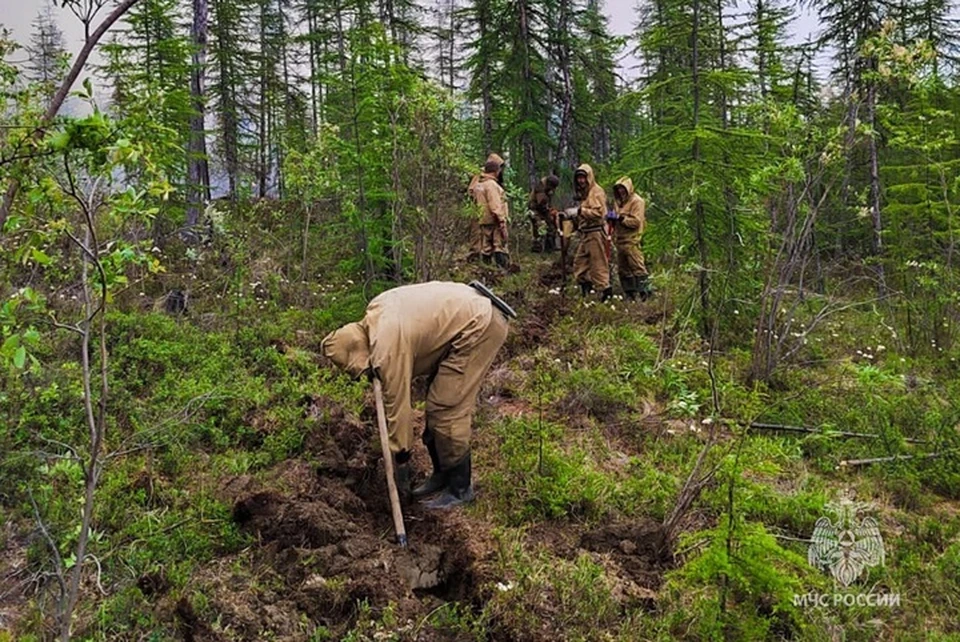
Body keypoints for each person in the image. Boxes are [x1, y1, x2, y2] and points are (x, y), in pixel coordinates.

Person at [321, 281, 512, 510]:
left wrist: (401, 458)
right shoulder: (375, 312)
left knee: (446, 409)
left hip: (480, 325)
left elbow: (398, 407)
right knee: (437, 404)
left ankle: (460, 489)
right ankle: (442, 476)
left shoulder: (385, 349)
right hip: (470, 313)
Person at [568, 164, 611, 301]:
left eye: (583, 177)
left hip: (595, 234)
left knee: (598, 265)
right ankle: (586, 294)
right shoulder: (585, 194)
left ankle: (606, 296)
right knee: (579, 265)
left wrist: (580, 211)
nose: (581, 181)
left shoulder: (596, 192)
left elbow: (599, 213)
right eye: (579, 178)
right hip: (585, 234)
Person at [609, 177, 651, 301]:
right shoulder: (618, 201)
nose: (621, 191)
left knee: (637, 266)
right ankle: (630, 294)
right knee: (623, 269)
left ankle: (645, 293)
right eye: (619, 189)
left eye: (623, 189)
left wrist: (622, 219)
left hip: (632, 239)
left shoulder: (637, 201)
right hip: (620, 239)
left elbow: (636, 222)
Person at [473, 158, 511, 269]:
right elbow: (495, 204)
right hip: (494, 220)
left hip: (483, 219)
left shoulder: (479, 185)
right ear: (496, 171)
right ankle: (502, 270)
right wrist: (501, 220)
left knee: (486, 246)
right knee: (499, 245)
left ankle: (486, 269)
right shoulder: (491, 185)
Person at [467, 154, 505, 262]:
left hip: (485, 212)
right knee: (483, 238)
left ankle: (485, 262)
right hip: (482, 212)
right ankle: (476, 257)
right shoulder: (483, 178)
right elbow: (472, 190)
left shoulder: (490, 180)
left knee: (487, 241)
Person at [527, 175, 561, 253]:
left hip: (541, 210)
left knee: (551, 225)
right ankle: (537, 248)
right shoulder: (540, 188)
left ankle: (549, 247)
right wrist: (549, 211)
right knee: (539, 227)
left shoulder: (546, 187)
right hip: (535, 210)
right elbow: (541, 204)